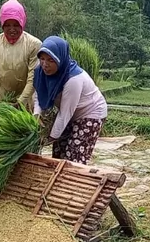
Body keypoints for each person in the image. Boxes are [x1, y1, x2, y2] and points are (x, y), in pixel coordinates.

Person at [33, 36, 107, 165]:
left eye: (51, 60)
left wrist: (49, 138)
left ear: (60, 59)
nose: (45, 64)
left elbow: (65, 113)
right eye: (42, 59)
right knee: (58, 155)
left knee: (74, 158)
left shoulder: (73, 79)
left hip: (90, 113)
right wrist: (36, 116)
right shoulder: (41, 71)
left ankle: (78, 184)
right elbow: (38, 96)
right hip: (69, 113)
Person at [0, 0, 42, 109]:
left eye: (16, 25)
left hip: (27, 103)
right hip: (1, 102)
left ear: (22, 23)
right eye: (7, 25)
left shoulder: (34, 44)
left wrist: (20, 102)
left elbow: (33, 78)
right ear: (2, 25)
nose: (12, 29)